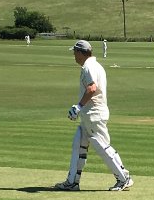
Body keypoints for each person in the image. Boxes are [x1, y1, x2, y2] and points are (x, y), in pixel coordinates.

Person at [55, 40, 134, 191]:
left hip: (94, 114)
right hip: (90, 115)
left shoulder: (89, 67)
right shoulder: (96, 65)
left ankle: (124, 178)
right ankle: (72, 182)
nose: (74, 56)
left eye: (75, 52)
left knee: (101, 145)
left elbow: (92, 88)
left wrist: (78, 106)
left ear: (80, 52)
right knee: (78, 143)